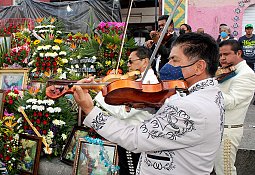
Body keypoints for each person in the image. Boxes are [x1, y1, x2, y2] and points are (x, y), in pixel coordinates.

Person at [73, 32, 224, 174]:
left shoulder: (191, 107)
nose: (169, 64)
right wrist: (149, 105)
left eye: (175, 60)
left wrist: (90, 109)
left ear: (199, 67)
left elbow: (135, 139)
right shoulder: (212, 94)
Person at [94, 47, 158, 175]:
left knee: (129, 171)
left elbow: (123, 113)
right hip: (131, 136)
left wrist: (100, 93)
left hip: (134, 137)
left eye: (131, 61)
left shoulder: (148, 83)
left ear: (145, 61)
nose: (128, 65)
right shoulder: (139, 80)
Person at [214, 40, 255, 175]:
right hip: (217, 129)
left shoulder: (246, 74)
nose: (222, 58)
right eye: (220, 55)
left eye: (226, 54)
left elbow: (231, 102)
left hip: (228, 132)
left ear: (239, 53)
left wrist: (208, 90)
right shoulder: (228, 70)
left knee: (225, 171)